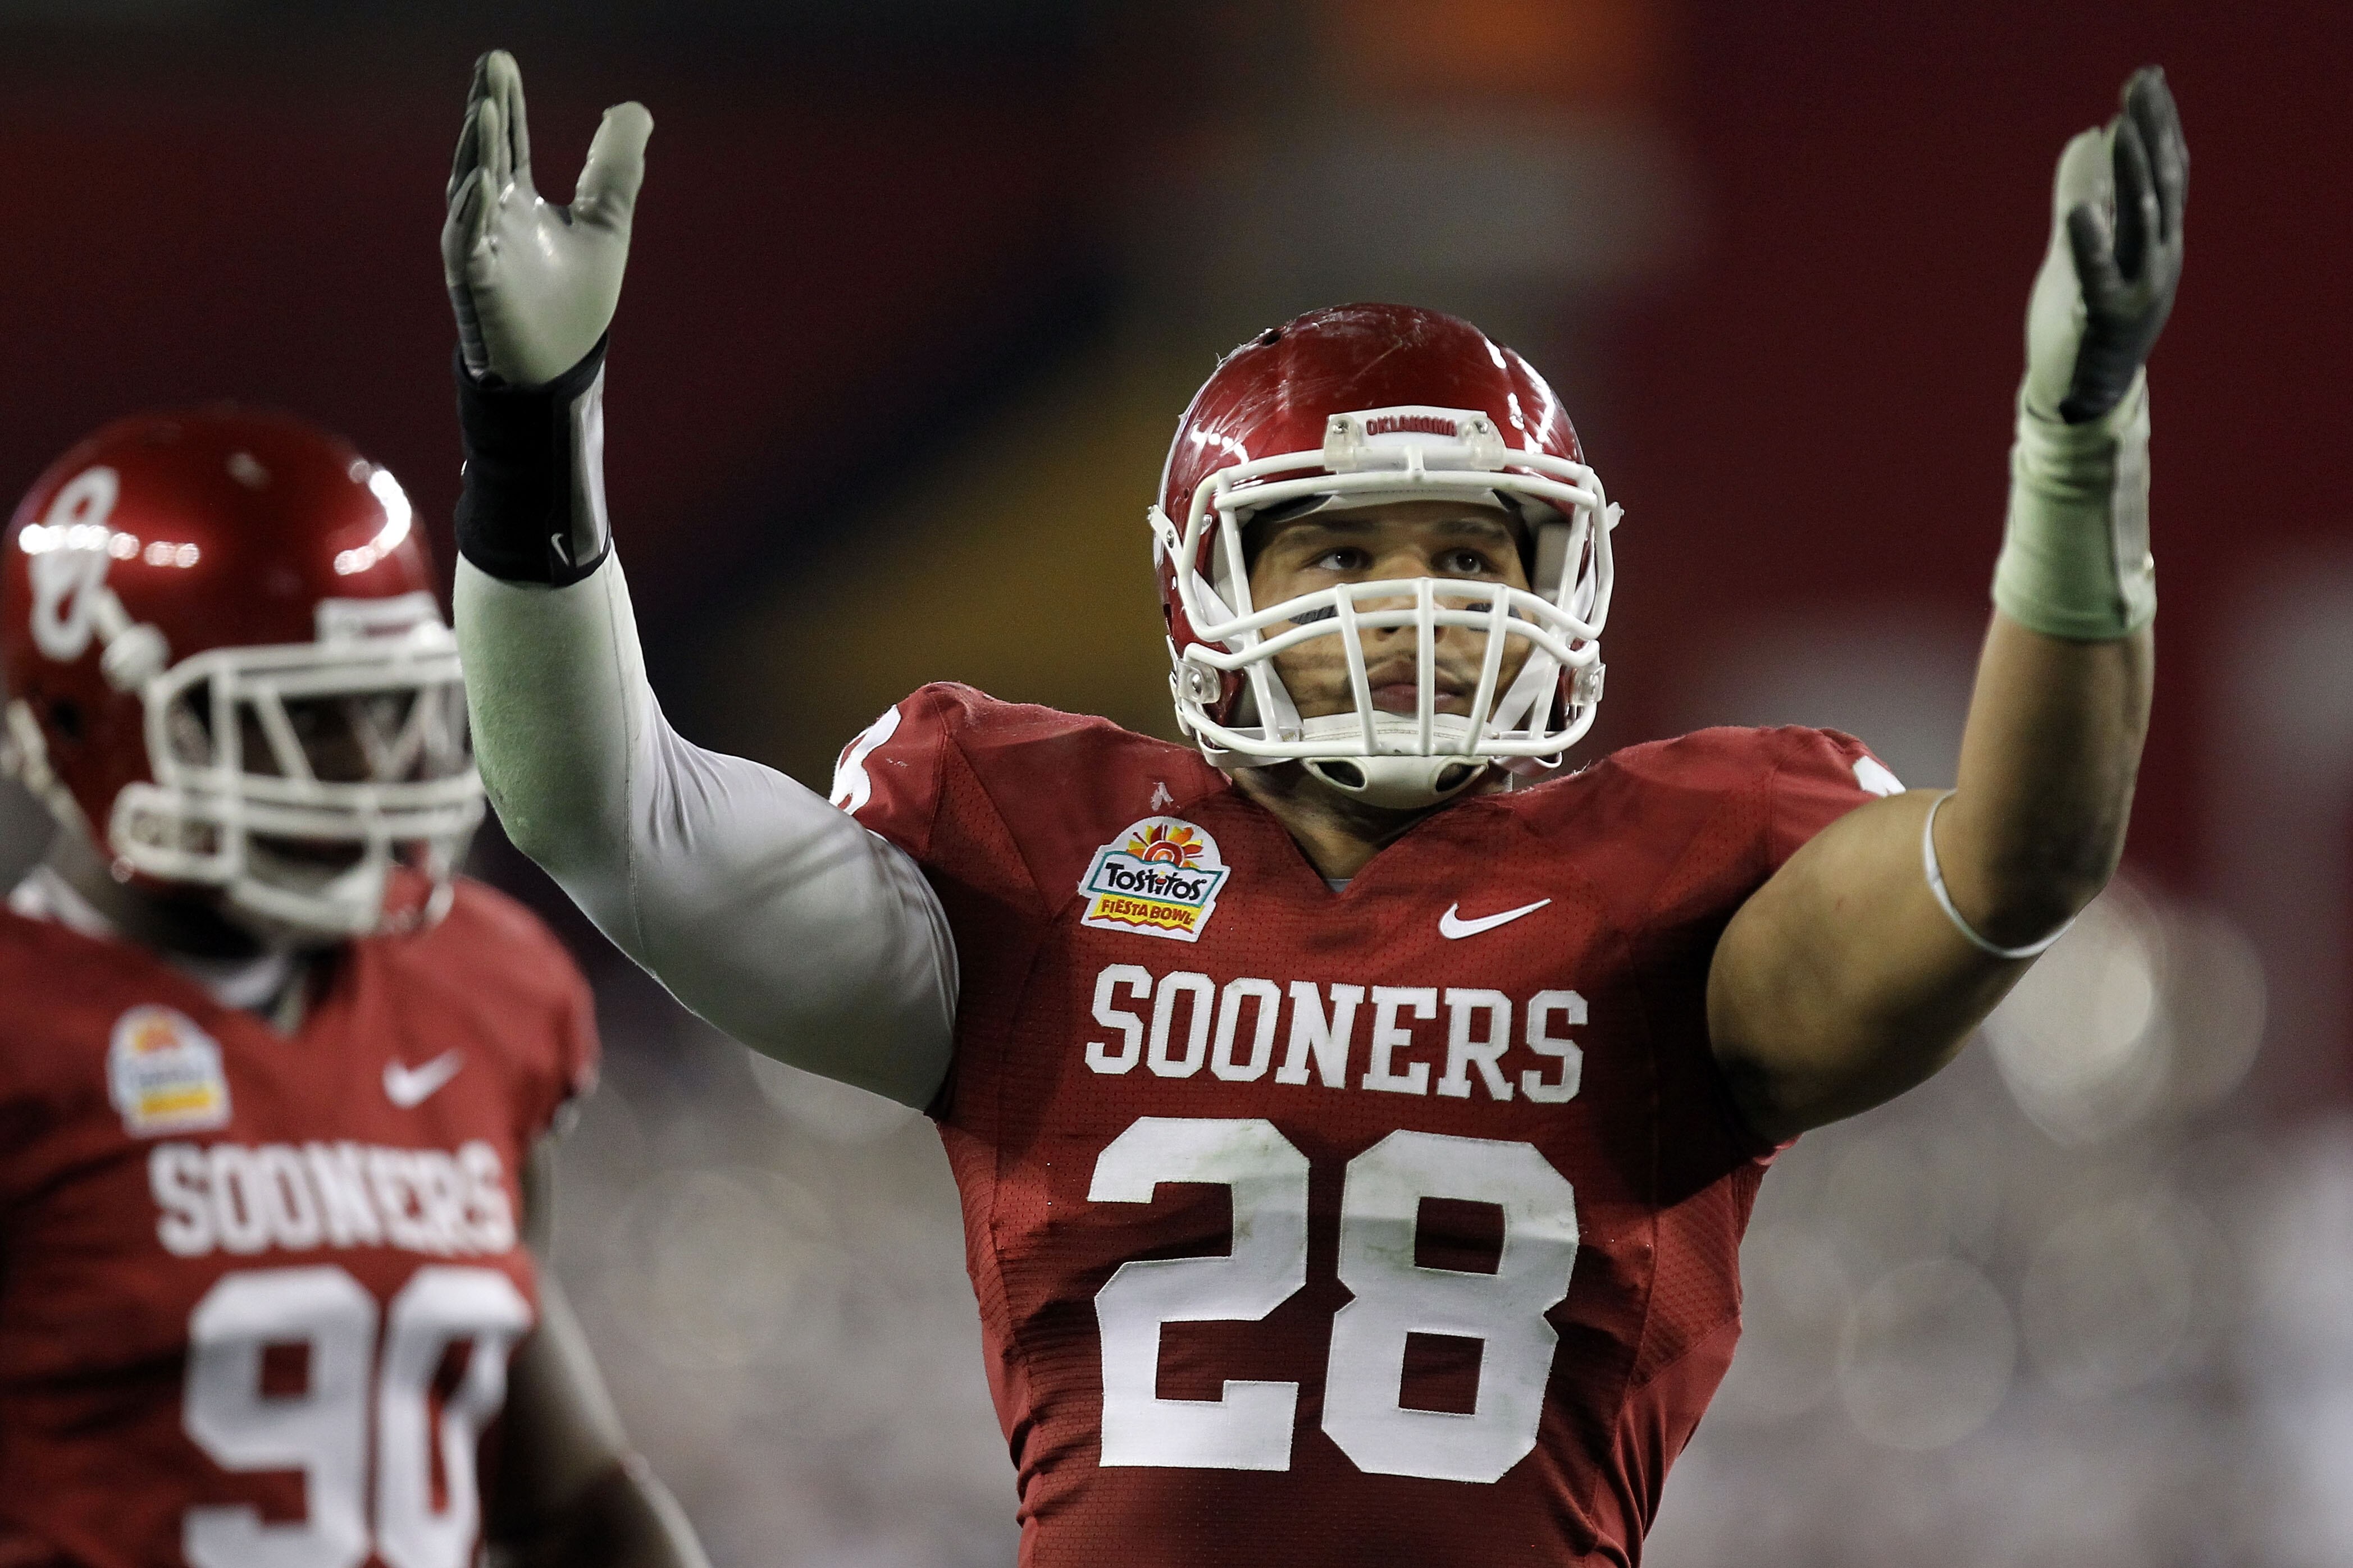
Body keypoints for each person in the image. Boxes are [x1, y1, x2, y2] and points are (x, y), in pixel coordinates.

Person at [441, 48, 2183, 1566]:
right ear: (1204, 588)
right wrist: (533, 429)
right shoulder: (1042, 860)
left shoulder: (1670, 884)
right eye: (1340, 547)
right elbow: (605, 810)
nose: (1411, 604)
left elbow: (2013, 864)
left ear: (1565, 575)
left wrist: (2072, 444)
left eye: (1465, 549)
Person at [0, 408, 708, 1568]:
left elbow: (571, 1501)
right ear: (92, 720)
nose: (373, 764)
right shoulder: (27, 1029)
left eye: (385, 705)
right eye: (309, 717)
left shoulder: (478, 991)